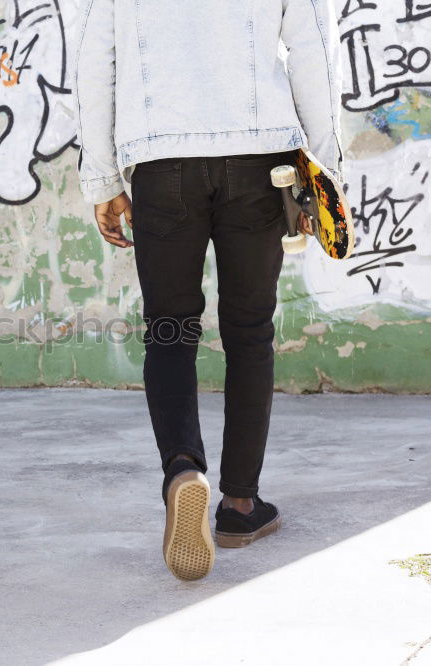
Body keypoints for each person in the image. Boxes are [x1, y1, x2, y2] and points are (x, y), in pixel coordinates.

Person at [74, 0, 345, 580]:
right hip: (259, 160)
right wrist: (327, 175)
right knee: (249, 330)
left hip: (160, 161)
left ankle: (181, 470)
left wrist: (101, 177)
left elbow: (96, 59)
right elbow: (312, 49)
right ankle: (240, 505)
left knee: (169, 330)